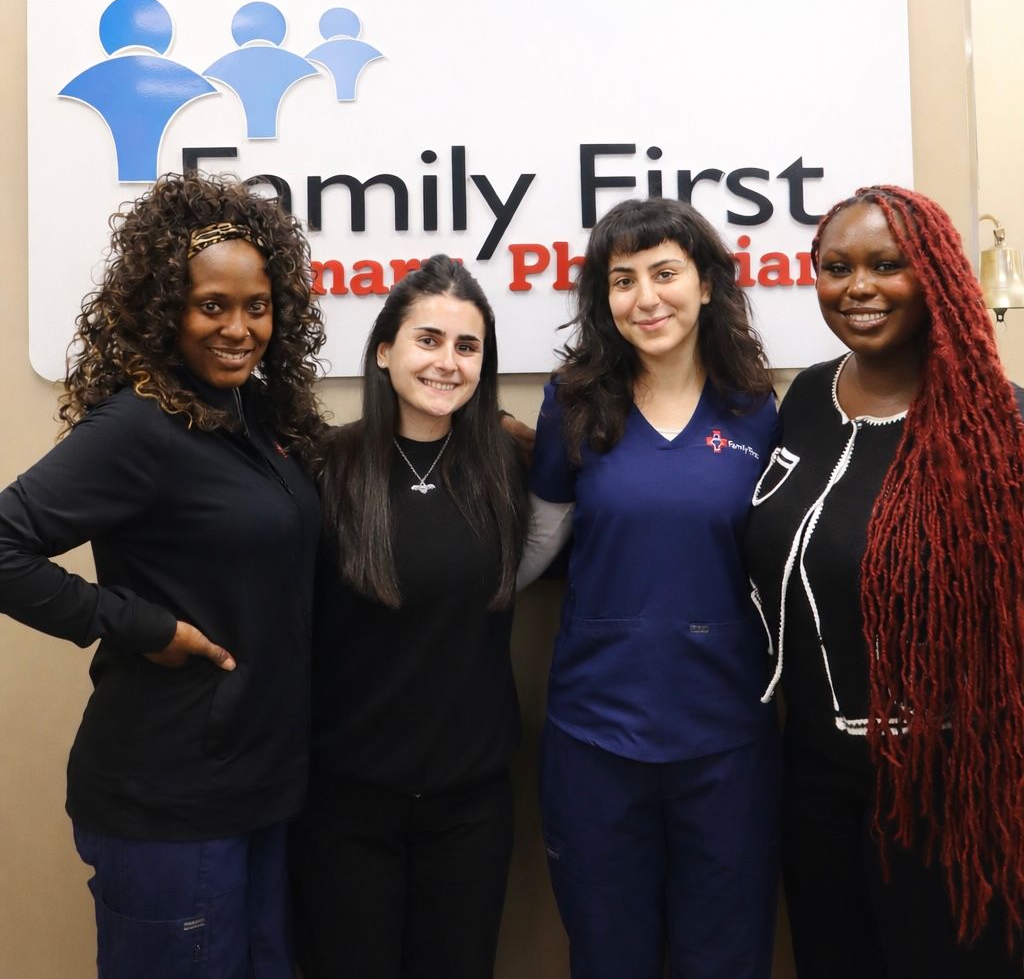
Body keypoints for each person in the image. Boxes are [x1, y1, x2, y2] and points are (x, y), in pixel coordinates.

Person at [0, 173, 325, 979]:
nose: (239, 328)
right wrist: (142, 626)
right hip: (169, 803)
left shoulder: (252, 418)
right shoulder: (139, 426)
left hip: (260, 792)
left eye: (257, 305)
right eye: (212, 304)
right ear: (163, 307)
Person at [746, 185, 1024, 978]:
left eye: (886, 264)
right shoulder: (804, 399)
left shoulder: (1000, 429)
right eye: (836, 267)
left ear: (934, 273)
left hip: (949, 792)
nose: (857, 286)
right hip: (815, 779)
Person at [523, 197, 781, 979]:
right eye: (622, 279)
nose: (646, 298)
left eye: (665, 273)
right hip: (596, 735)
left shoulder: (759, 410)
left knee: (726, 955)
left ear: (706, 284)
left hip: (726, 737)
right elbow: (537, 544)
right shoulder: (570, 403)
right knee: (609, 954)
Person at [289, 254, 529, 979]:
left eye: (467, 346)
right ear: (385, 349)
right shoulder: (326, 468)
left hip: (471, 806)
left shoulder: (510, 467)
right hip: (345, 805)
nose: (447, 363)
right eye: (428, 340)